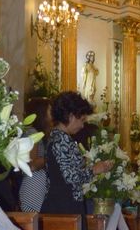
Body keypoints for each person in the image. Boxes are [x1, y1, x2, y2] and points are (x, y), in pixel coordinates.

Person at [41, 92, 112, 229]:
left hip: (67, 203)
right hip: (63, 206)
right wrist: (95, 170)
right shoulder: (61, 140)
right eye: (82, 120)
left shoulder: (61, 138)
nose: (82, 125)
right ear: (71, 116)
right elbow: (71, 177)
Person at [19, 97, 52, 212]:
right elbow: (31, 165)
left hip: (36, 185)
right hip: (33, 187)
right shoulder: (32, 133)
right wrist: (52, 158)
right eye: (49, 111)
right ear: (41, 113)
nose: (52, 115)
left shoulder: (33, 132)